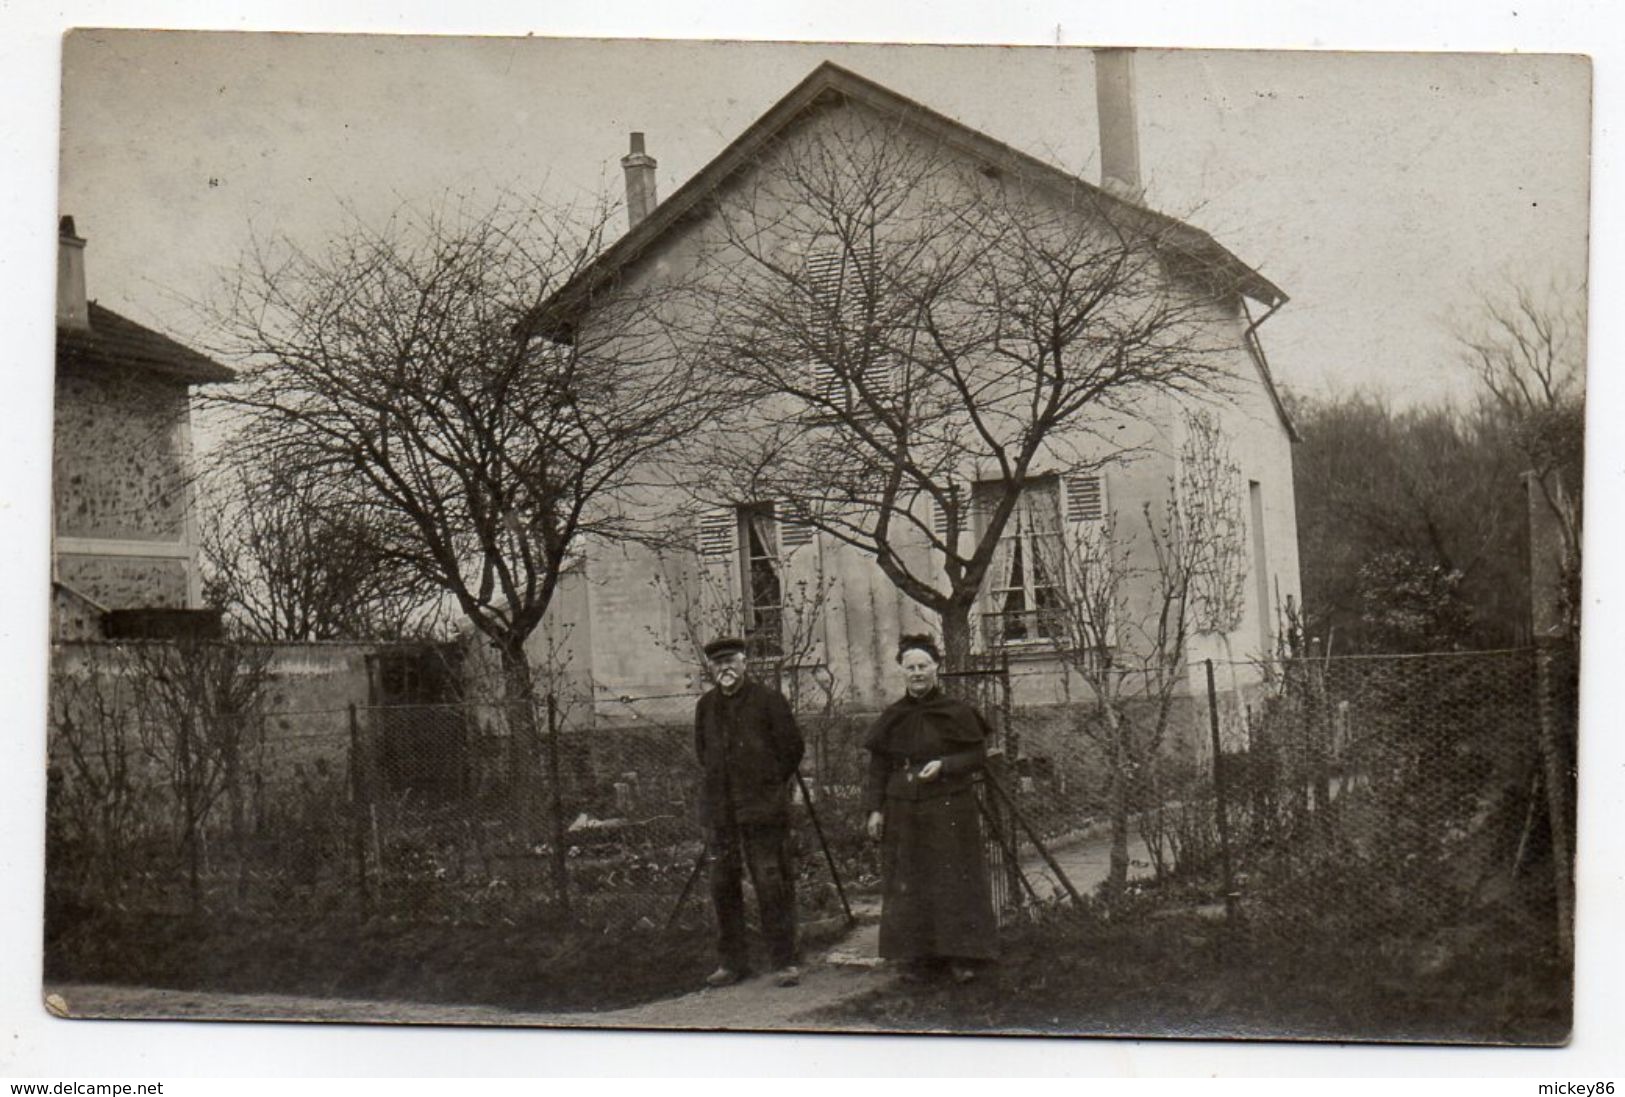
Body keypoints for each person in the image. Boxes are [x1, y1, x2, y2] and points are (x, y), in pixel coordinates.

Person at [864, 633, 997, 983]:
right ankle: (916, 957)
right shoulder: (893, 716)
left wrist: (945, 765)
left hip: (949, 805)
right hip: (903, 808)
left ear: (937, 668)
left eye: (923, 666)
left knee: (953, 878)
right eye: (910, 667)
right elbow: (878, 768)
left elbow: (977, 755)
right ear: (902, 672)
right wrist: (875, 810)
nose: (917, 673)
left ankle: (962, 956)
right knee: (909, 879)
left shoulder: (956, 711)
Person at [693, 635, 806, 988]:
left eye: (731, 661)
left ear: (745, 663)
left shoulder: (769, 701)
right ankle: (732, 963)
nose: (725, 669)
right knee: (723, 885)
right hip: (721, 812)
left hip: (762, 809)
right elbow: (703, 752)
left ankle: (784, 962)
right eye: (718, 663)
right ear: (711, 669)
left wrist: (768, 784)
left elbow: (792, 749)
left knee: (771, 883)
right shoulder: (706, 706)